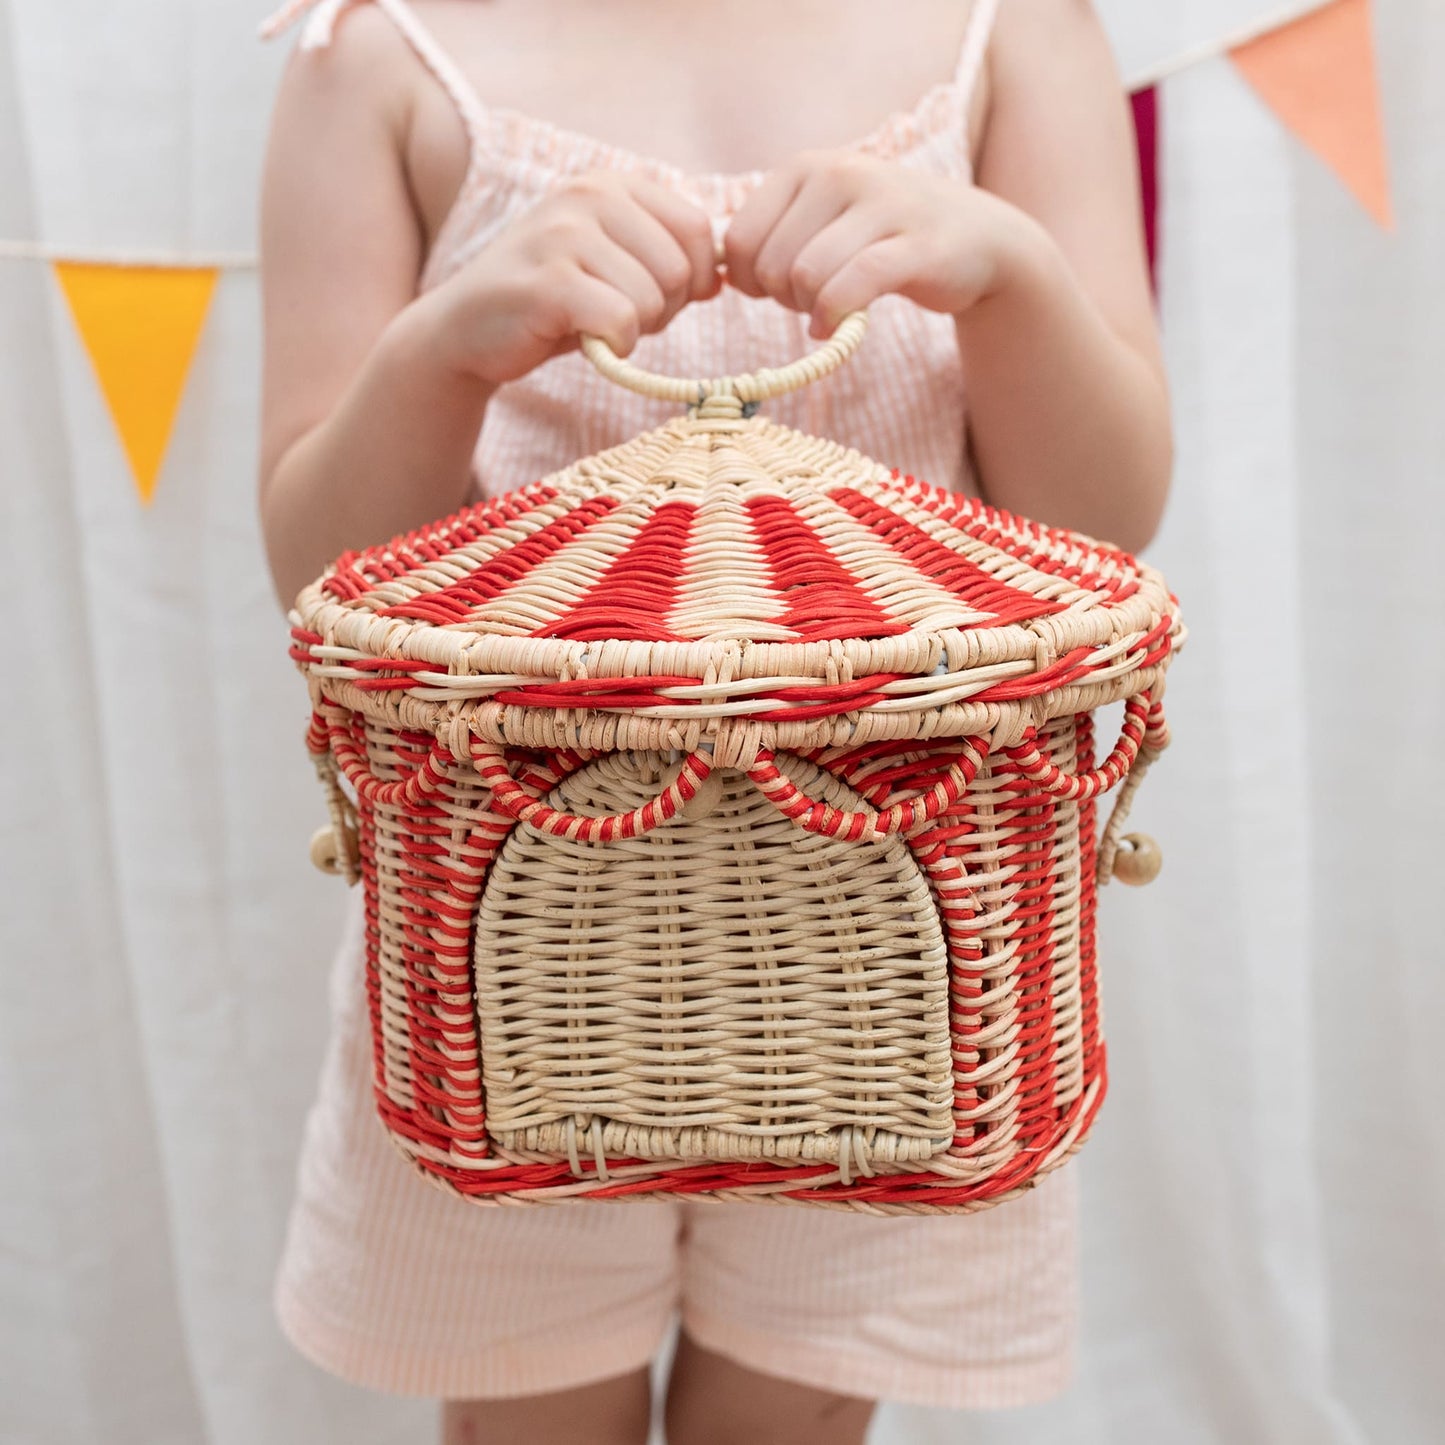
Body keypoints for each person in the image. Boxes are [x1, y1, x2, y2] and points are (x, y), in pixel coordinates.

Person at [257, 2, 1172, 1441]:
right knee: (521, 1410)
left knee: (798, 1409)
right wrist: (445, 350)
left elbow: (1095, 529)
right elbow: (320, 575)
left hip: (902, 937)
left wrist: (1009, 280)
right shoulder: (373, 53)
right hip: (505, 934)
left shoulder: (1015, 29)